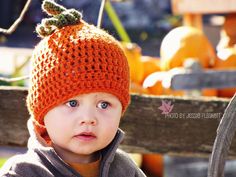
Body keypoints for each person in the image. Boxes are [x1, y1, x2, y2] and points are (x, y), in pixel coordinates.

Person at [0, 0, 146, 176]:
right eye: (72, 103)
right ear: (42, 109)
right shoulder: (23, 172)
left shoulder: (126, 170)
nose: (88, 118)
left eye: (104, 105)